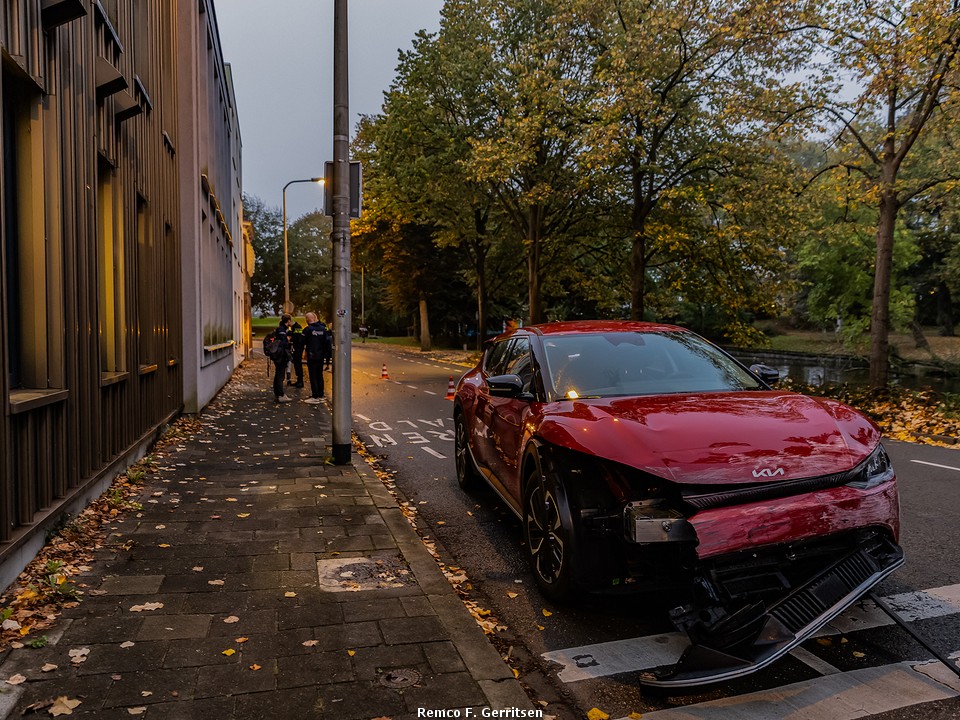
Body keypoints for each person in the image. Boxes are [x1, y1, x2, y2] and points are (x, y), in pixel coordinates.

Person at [302, 312, 331, 403]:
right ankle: (321, 394)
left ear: (308, 319)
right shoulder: (323, 329)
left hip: (312, 355)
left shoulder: (307, 330)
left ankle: (315, 396)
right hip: (321, 356)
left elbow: (302, 341)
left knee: (313, 375)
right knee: (319, 375)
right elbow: (327, 343)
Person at [270, 314, 294, 403]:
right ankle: (280, 394)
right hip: (281, 356)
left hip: (278, 355)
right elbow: (284, 343)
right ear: (288, 321)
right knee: (280, 375)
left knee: (278, 374)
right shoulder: (282, 330)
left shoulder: (281, 329)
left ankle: (278, 394)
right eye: (290, 321)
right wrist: (288, 340)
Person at [288, 320, 305, 388]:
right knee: (296, 364)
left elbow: (297, 338)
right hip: (297, 348)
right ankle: (299, 380)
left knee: (298, 364)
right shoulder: (294, 327)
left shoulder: (297, 327)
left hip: (298, 349)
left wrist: (290, 337)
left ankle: (300, 381)